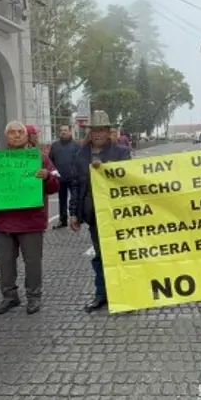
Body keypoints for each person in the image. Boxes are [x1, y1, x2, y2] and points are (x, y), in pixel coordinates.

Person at [0, 122, 59, 315]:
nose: (16, 136)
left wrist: (47, 177)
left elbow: (56, 186)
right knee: (5, 262)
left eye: (20, 132)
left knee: (33, 262)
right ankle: (9, 297)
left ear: (26, 136)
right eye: (12, 132)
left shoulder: (41, 158)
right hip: (4, 222)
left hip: (31, 222)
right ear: (6, 137)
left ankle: (34, 296)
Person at [69, 110, 132, 313]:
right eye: (94, 129)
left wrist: (106, 167)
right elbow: (76, 186)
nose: (98, 133)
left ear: (108, 131)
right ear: (90, 132)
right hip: (94, 214)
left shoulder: (120, 152)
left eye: (102, 129)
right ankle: (101, 294)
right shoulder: (81, 155)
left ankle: (124, 295)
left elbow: (129, 176)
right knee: (99, 256)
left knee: (119, 255)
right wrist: (74, 213)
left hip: (117, 213)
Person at [48, 124, 80, 228]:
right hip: (60, 178)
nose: (63, 132)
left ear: (70, 132)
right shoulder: (55, 146)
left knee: (75, 199)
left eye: (65, 130)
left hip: (73, 178)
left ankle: (75, 218)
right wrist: (54, 174)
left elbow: (81, 161)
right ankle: (63, 220)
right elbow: (50, 161)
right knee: (62, 200)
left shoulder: (76, 146)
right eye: (61, 130)